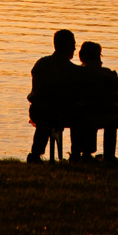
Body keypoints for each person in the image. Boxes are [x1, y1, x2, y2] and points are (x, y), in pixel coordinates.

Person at [26, 29, 83, 163]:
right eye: (73, 44)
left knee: (45, 116)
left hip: (38, 111)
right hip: (60, 114)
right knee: (79, 115)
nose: (75, 48)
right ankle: (76, 154)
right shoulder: (72, 70)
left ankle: (35, 153)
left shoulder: (41, 64)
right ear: (67, 46)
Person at [76, 40, 118, 162]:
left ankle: (85, 153)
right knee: (110, 117)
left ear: (81, 56)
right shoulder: (107, 73)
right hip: (108, 116)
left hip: (85, 116)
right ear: (98, 57)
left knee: (86, 115)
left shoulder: (77, 73)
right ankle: (109, 155)